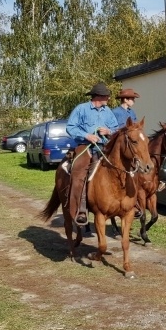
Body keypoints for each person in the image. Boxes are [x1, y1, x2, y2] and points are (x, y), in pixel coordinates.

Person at [65, 82, 119, 226]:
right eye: (106, 96)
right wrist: (87, 135)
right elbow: (70, 127)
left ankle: (126, 204)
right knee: (80, 173)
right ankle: (81, 210)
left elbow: (116, 128)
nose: (108, 99)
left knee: (120, 168)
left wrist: (108, 131)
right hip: (85, 146)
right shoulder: (81, 109)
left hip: (104, 146)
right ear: (98, 97)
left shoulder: (108, 111)